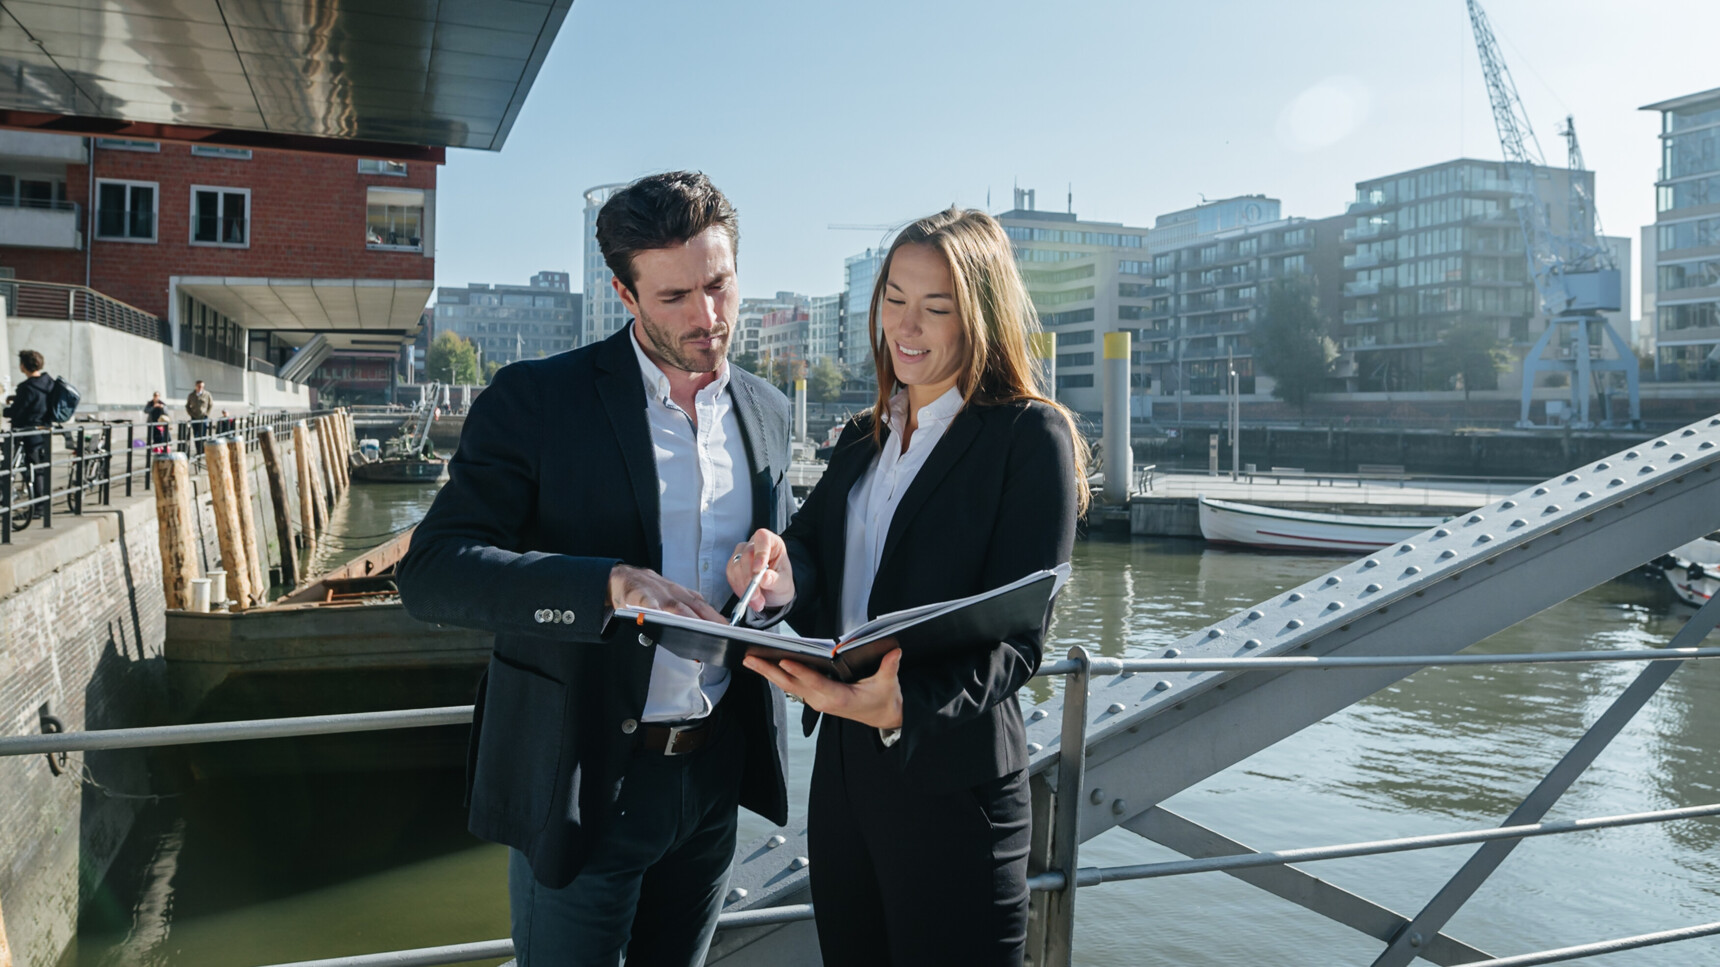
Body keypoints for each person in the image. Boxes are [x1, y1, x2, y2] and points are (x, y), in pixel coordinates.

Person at [398, 171, 792, 967]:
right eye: (675, 296)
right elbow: (433, 571)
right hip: (581, 778)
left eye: (718, 285)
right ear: (624, 292)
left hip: (714, 775)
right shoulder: (538, 399)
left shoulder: (768, 409)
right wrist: (604, 584)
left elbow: (779, 575)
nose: (707, 316)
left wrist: (783, 582)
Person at [726, 208, 1086, 967]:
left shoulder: (1029, 437)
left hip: (954, 787)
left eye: (936, 306)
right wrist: (780, 571)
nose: (906, 325)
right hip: (846, 781)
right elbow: (817, 558)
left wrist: (905, 703)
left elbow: (1020, 639)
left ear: (979, 313)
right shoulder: (864, 436)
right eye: (894, 297)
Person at [3, 350, 56, 518]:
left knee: (30, 470)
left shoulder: (26, 387)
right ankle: (40, 507)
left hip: (27, 432)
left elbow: (18, 411)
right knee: (39, 469)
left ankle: (37, 509)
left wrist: (5, 410)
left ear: (23, 366)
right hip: (44, 432)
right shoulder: (50, 383)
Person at [185, 380, 212, 452]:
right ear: (196, 386)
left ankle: (203, 450)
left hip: (203, 417)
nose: (200, 388)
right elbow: (187, 406)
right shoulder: (191, 395)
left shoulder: (207, 394)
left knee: (203, 434)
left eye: (202, 387)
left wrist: (207, 413)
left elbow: (211, 404)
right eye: (199, 386)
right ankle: (198, 450)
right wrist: (190, 413)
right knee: (196, 434)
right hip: (194, 417)